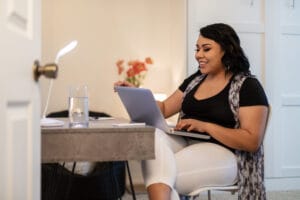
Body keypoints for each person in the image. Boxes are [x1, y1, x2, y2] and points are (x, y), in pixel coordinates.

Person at [114, 23, 269, 200]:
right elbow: (164, 109)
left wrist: (206, 126)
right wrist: (137, 93)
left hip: (226, 155)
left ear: (227, 50)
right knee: (153, 135)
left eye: (206, 49)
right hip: (187, 143)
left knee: (164, 175)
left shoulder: (248, 86)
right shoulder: (195, 80)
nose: (198, 55)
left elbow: (251, 141)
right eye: (197, 49)